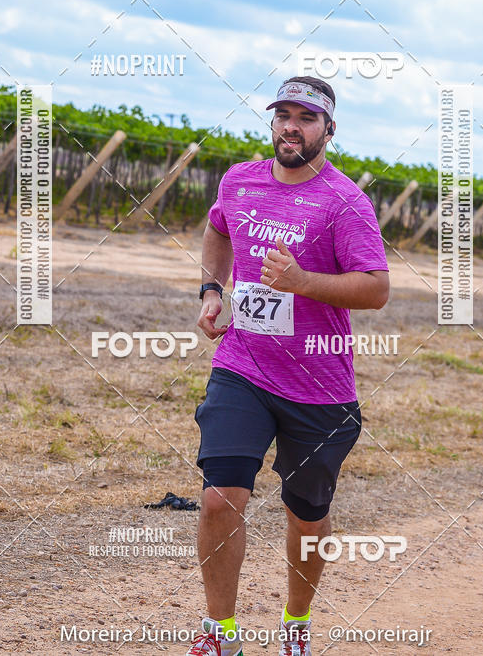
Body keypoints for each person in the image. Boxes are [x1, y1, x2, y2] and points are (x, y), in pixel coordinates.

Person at [188, 77, 389, 656]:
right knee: (219, 499)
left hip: (318, 384)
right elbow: (217, 229)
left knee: (306, 519)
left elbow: (376, 289)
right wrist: (212, 289)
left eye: (307, 117)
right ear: (272, 122)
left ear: (329, 129)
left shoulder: (345, 201)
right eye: (283, 115)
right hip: (242, 366)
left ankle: (295, 627)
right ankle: (221, 636)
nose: (291, 126)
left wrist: (303, 283)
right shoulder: (240, 180)